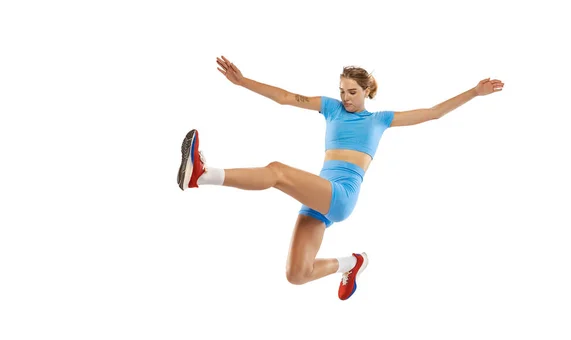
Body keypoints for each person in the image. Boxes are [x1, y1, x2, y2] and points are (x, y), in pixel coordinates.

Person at [177, 55, 504, 300]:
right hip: (318, 197)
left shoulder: (380, 119)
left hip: (341, 194)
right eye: (342, 91)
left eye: (352, 92)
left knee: (277, 171)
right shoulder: (331, 108)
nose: (345, 97)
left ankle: (203, 176)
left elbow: (433, 112)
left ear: (366, 91)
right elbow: (286, 97)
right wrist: (243, 81)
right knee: (297, 275)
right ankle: (351, 262)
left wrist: (474, 92)